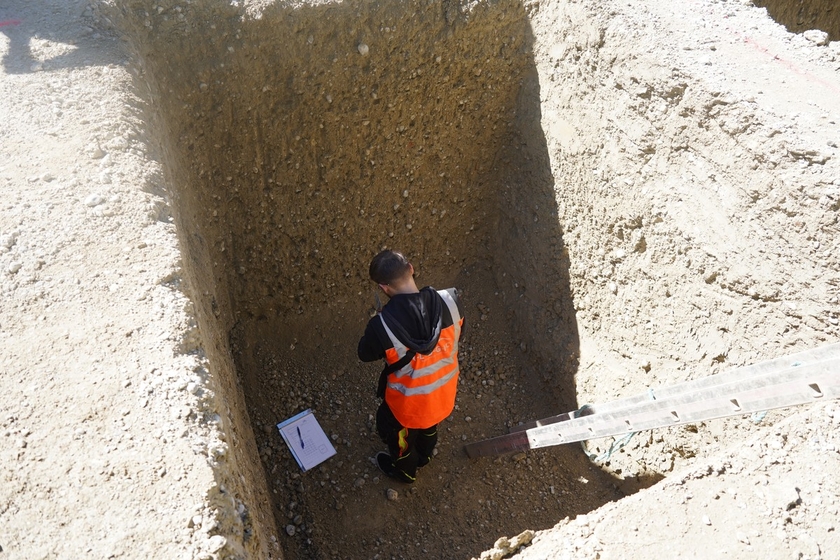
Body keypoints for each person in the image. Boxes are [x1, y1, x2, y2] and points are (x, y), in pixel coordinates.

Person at [357, 250, 464, 483]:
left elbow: (364, 354)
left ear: (384, 288)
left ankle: (405, 472)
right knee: (429, 427)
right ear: (412, 268)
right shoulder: (451, 300)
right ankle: (425, 456)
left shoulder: (381, 326)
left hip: (407, 406)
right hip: (443, 396)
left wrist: (380, 324)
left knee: (400, 439)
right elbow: (455, 337)